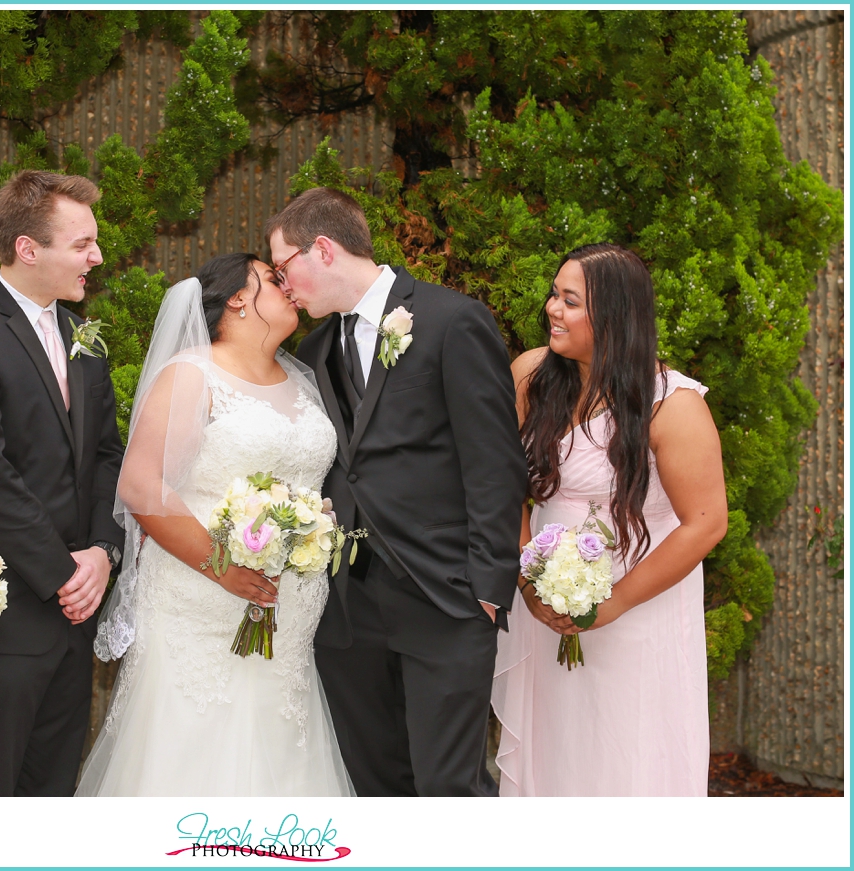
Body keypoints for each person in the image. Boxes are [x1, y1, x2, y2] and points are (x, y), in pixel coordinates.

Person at [270, 188, 529, 797]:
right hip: (346, 608)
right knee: (374, 783)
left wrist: (488, 587)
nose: (284, 287)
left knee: (448, 786)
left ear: (324, 250)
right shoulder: (313, 350)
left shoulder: (452, 320)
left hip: (445, 596)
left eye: (285, 269)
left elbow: (494, 459)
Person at [78, 253, 354, 796]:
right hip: (200, 600)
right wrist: (223, 567)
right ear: (236, 298)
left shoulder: (301, 380)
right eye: (273, 280)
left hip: (291, 609)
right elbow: (142, 487)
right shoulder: (192, 374)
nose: (290, 288)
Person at [491, 243, 728, 796]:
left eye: (570, 301)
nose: (553, 308)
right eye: (554, 293)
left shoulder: (674, 404)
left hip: (639, 608)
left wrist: (613, 602)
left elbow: (706, 522)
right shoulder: (530, 375)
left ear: (615, 315)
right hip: (545, 600)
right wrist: (529, 582)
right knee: (558, 747)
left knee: (626, 748)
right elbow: (503, 487)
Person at [0, 170, 126, 796]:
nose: (96, 257)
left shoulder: (82, 340)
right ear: (28, 248)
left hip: (74, 617)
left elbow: (105, 455)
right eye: (82, 244)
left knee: (52, 795)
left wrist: (101, 552)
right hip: (2, 621)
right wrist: (62, 572)